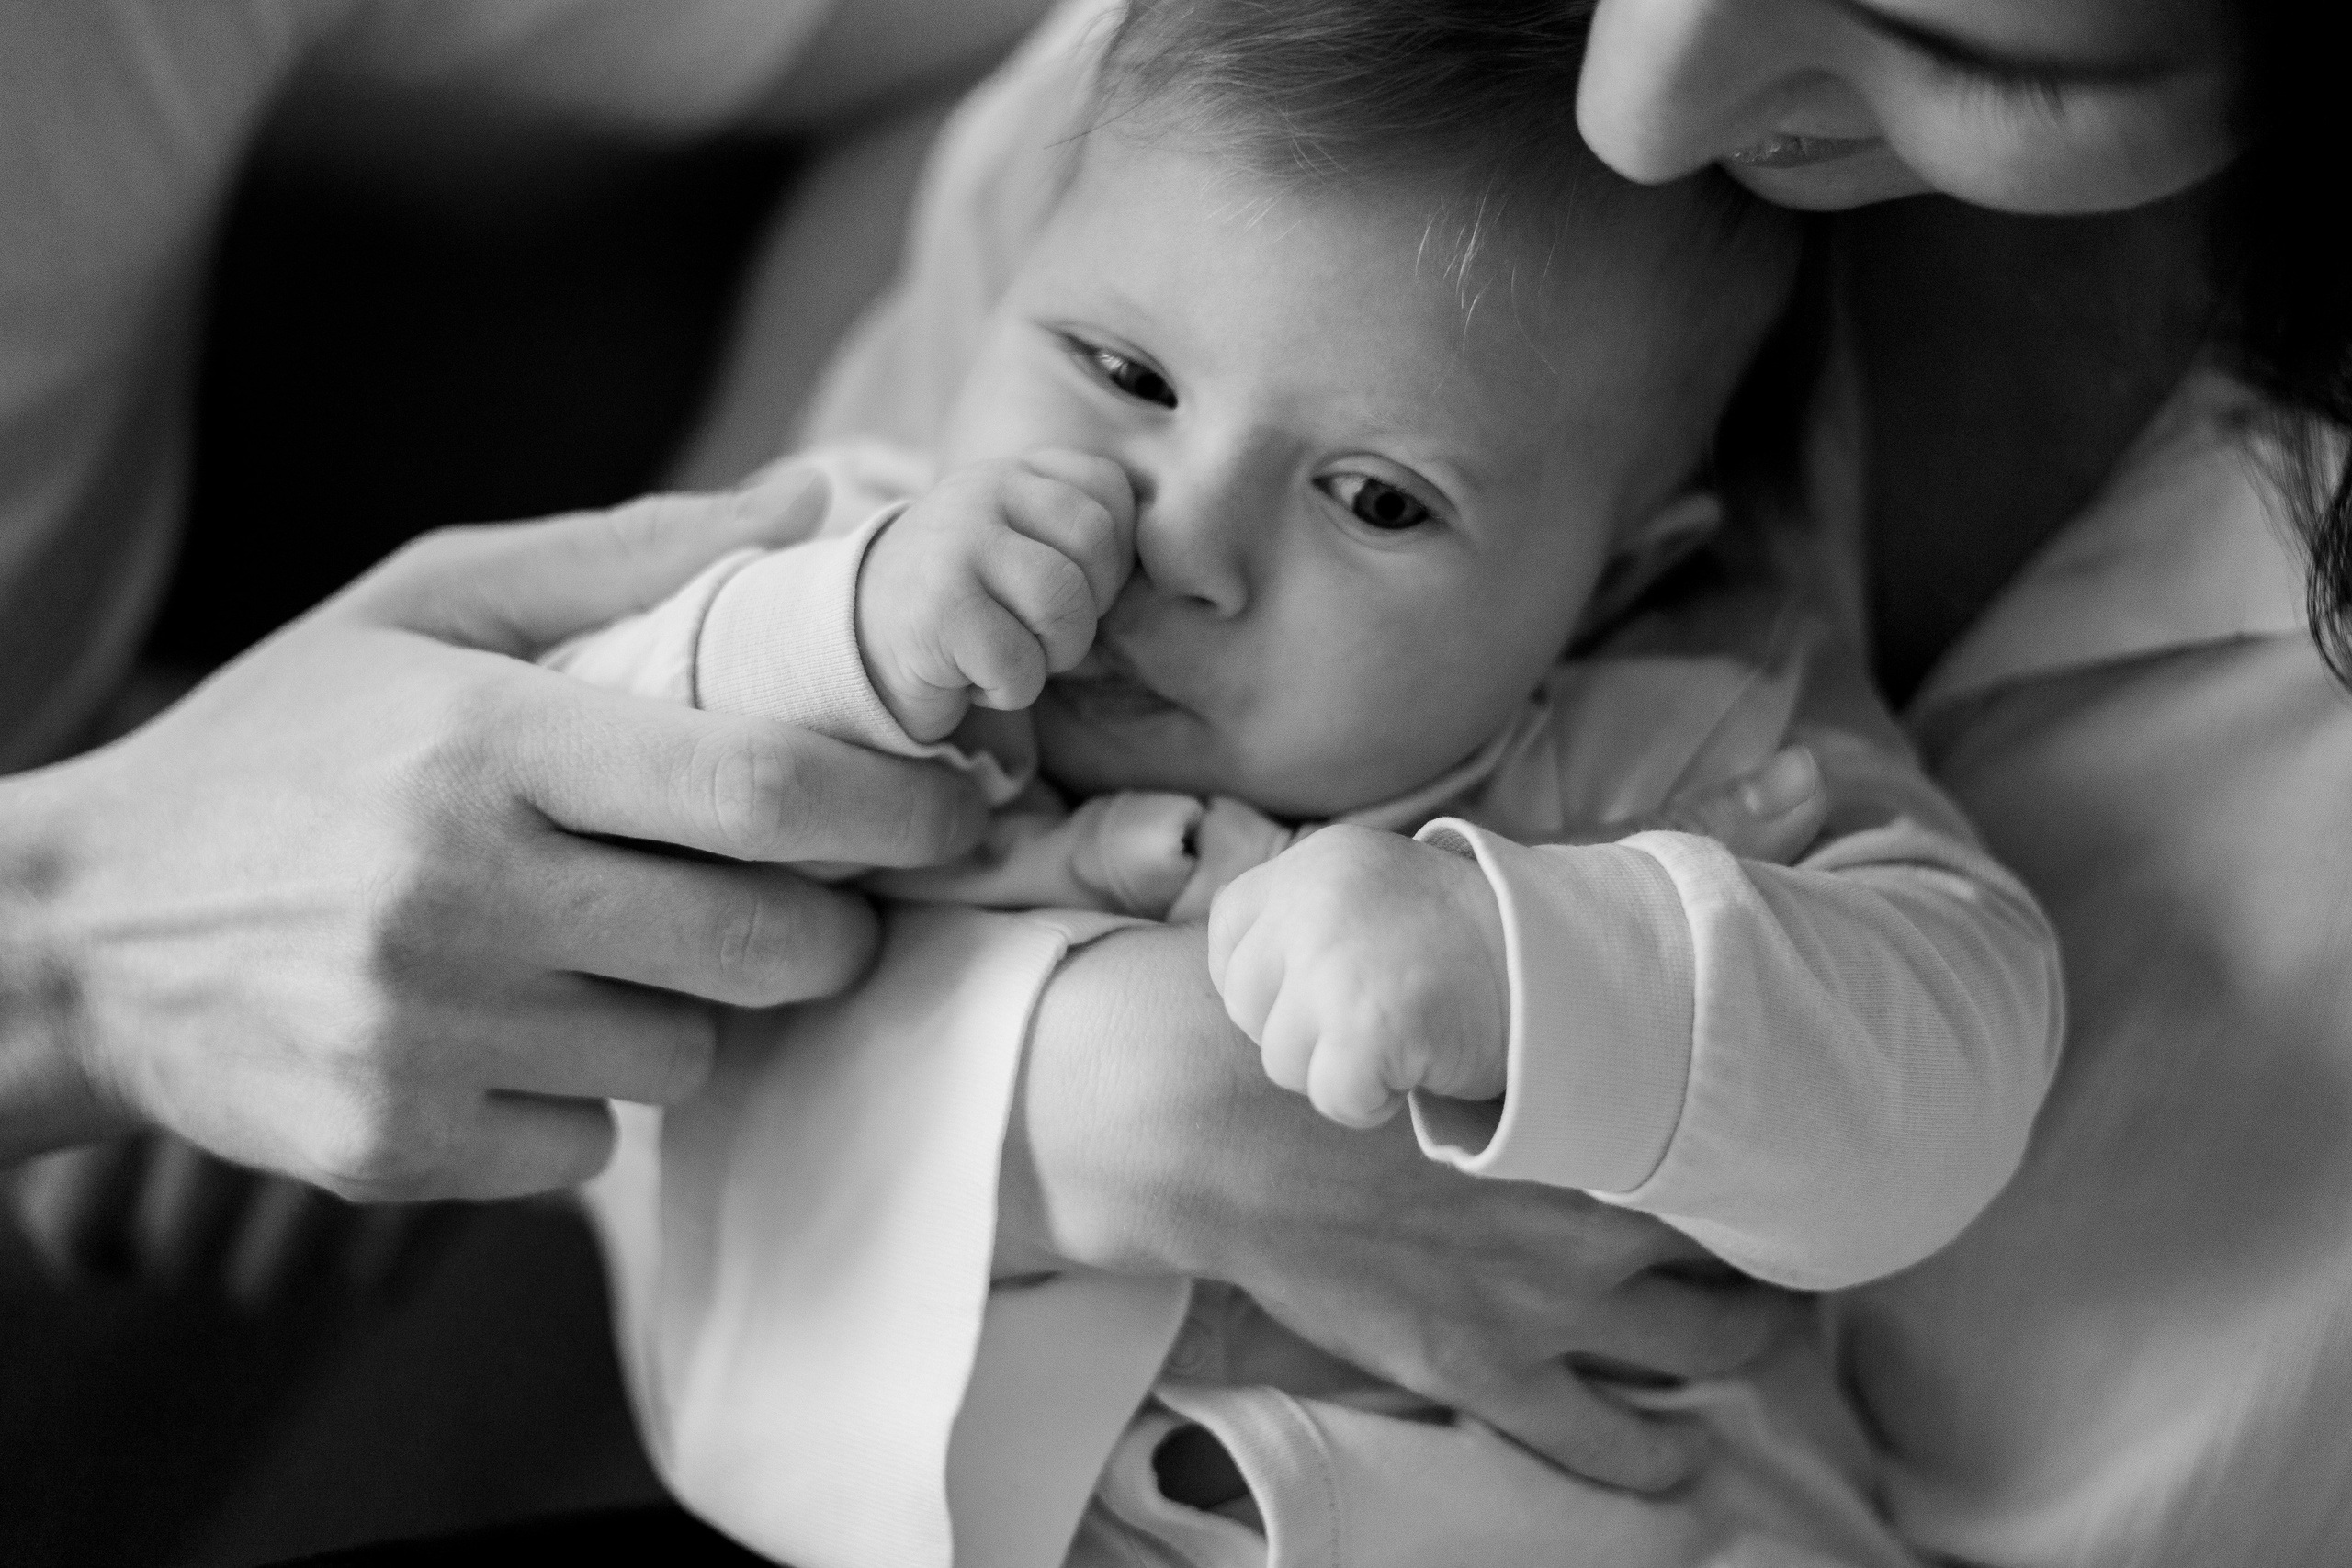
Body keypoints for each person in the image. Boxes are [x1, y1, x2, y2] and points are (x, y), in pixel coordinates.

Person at [529, 0, 2352, 1563]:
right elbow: (552, 858)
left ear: (1621, 571)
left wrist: (1537, 969)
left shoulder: (1660, 740)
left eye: (1381, 499)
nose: (1179, 536)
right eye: (1116, 373)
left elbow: (1945, 1075)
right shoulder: (866, 583)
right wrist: (831, 630)